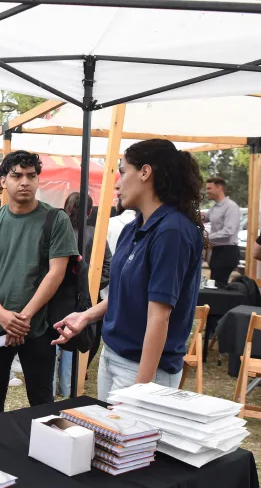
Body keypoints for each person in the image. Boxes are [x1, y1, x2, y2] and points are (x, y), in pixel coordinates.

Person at [54, 139, 205, 400]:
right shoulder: (132, 229)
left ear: (145, 172)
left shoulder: (173, 231)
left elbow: (159, 317)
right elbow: (127, 293)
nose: (116, 183)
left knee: (134, 440)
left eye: (123, 172)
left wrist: (140, 391)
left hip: (144, 368)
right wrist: (86, 316)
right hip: (112, 355)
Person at [0, 151, 77, 415]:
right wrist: (1, 314)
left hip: (38, 325)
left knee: (41, 398)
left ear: (38, 180)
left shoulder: (56, 219)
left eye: (31, 176)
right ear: (4, 181)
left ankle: (45, 450)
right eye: (17, 176)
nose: (25, 182)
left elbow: (56, 272)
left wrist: (24, 317)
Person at [54, 192, 113, 397]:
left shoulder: (57, 230)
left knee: (53, 339)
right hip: (86, 298)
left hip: (56, 295)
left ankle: (52, 386)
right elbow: (109, 267)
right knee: (75, 340)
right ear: (89, 211)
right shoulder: (95, 235)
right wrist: (92, 286)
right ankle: (68, 388)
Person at [204, 176, 241, 287]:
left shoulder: (231, 207)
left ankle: (221, 304)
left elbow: (229, 231)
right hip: (217, 251)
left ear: (219, 188)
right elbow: (204, 218)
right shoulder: (215, 208)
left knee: (219, 285)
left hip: (227, 252)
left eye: (209, 188)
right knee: (214, 284)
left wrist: (207, 238)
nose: (206, 192)